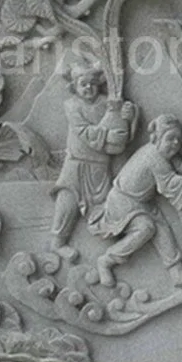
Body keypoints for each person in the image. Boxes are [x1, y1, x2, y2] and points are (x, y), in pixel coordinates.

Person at [91, 115, 182, 289]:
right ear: (156, 138)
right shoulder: (153, 157)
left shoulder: (161, 154)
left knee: (163, 230)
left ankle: (177, 273)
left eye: (178, 140)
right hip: (122, 202)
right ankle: (106, 260)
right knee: (146, 228)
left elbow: (178, 165)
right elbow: (169, 184)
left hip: (141, 201)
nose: (175, 143)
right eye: (170, 139)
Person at [49, 54, 135, 253]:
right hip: (76, 163)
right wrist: (110, 132)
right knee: (67, 199)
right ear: (75, 87)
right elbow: (84, 131)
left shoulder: (108, 103)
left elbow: (122, 138)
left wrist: (128, 118)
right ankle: (58, 242)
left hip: (100, 165)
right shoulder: (72, 106)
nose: (88, 88)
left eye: (92, 84)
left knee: (104, 203)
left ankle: (111, 235)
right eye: (83, 84)